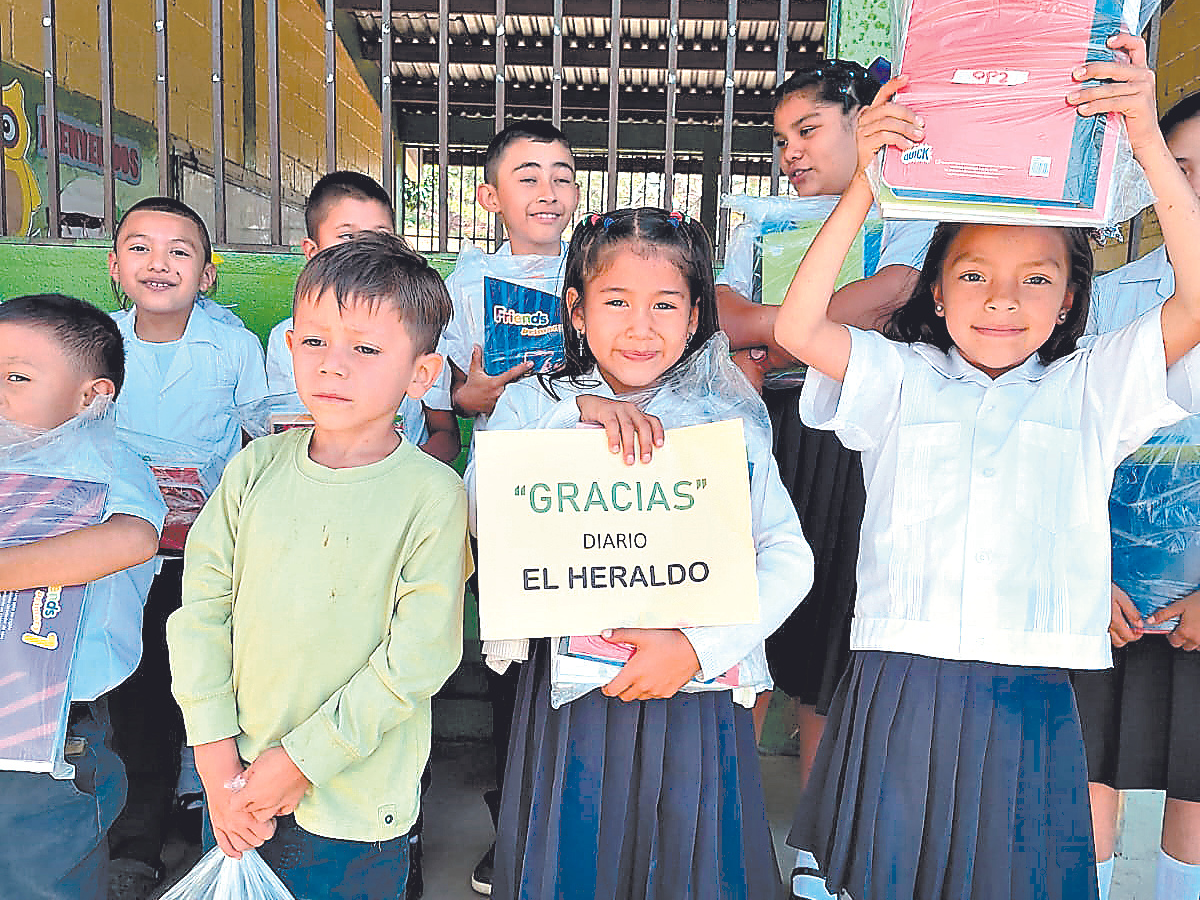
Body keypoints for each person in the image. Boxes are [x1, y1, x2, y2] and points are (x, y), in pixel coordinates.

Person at [773, 37, 1200, 900]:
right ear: (936, 290)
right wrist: (869, 179)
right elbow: (797, 327)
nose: (1002, 299)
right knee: (892, 877)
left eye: (1035, 278)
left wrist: (1150, 144)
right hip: (900, 672)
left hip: (1029, 685)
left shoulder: (1091, 389)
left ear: (1070, 298)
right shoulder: (897, 379)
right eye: (972, 274)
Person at [469, 207, 813, 900]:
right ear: (576, 309)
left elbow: (788, 556)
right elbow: (482, 512)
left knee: (685, 854)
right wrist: (578, 416)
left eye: (665, 305)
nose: (640, 325)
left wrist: (696, 648)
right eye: (616, 301)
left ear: (693, 320)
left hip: (692, 689)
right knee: (580, 852)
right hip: (574, 693)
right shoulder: (533, 406)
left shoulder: (725, 420)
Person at [166, 232, 472, 899]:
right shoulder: (252, 471)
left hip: (355, 805)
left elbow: (418, 657)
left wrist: (299, 762)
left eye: (365, 348)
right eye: (313, 342)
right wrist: (216, 758)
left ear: (422, 374)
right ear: (288, 349)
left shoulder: (433, 495)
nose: (333, 366)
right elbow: (199, 616)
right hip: (234, 787)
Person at [717, 60, 935, 900]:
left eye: (808, 130)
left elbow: (894, 293)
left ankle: (818, 843)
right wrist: (793, 330)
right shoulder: (759, 221)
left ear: (862, 123)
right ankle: (726, 825)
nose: (790, 154)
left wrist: (772, 338)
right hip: (761, 437)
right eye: (779, 140)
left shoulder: (912, 212)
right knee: (744, 630)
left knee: (829, 648)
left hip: (852, 447)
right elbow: (721, 315)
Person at [104, 196, 269, 899]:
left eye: (180, 251)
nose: (159, 263)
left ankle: (197, 804)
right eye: (140, 248)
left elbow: (264, 433)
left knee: (201, 681)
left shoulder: (234, 347)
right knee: (133, 688)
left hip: (205, 553)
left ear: (207, 275)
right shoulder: (101, 340)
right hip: (117, 553)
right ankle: (136, 836)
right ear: (115, 268)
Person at [440, 120, 580, 895]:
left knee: (582, 652)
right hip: (504, 493)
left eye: (561, 174)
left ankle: (572, 812)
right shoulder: (467, 286)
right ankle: (514, 824)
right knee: (510, 667)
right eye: (528, 176)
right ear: (491, 196)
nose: (548, 189)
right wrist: (479, 393)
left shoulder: (599, 269)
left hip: (586, 491)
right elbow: (453, 397)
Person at [1072, 90, 1200, 900]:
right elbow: (1071, 447)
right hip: (1104, 589)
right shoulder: (1111, 297)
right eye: (1180, 170)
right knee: (1088, 774)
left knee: (1196, 787)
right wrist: (1089, 575)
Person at [0, 293, 165, 900]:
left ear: (92, 396)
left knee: (40, 881)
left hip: (51, 739)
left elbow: (131, 540)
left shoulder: (106, 462)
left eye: (17, 377)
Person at [265, 170, 461, 465]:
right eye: (347, 236)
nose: (364, 248)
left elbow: (445, 434)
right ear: (312, 251)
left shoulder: (417, 331)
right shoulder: (287, 339)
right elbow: (285, 428)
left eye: (380, 236)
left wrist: (398, 474)